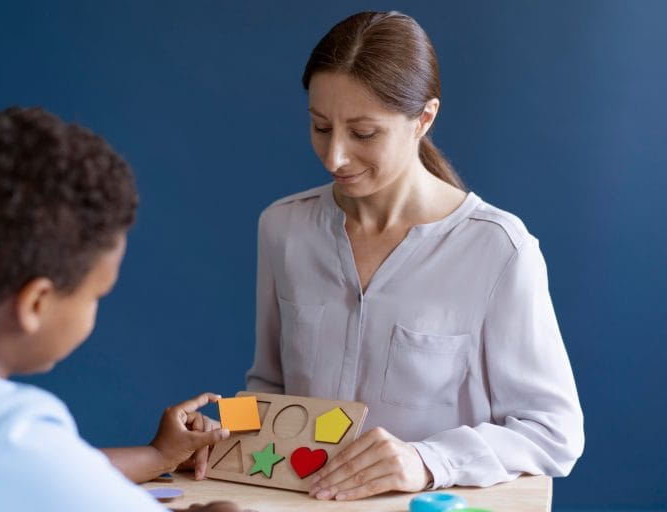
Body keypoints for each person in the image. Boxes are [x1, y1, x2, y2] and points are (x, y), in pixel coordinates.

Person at [245, 11, 584, 501]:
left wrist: (428, 460)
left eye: (363, 133)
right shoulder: (282, 227)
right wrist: (219, 432)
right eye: (320, 126)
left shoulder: (499, 250)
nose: (334, 155)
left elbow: (555, 432)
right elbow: (267, 389)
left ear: (423, 119)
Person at [0, 107, 239, 512]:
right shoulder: (9, 434)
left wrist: (157, 457)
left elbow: (50, 472)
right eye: (97, 294)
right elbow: (26, 462)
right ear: (36, 304)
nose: (95, 308)